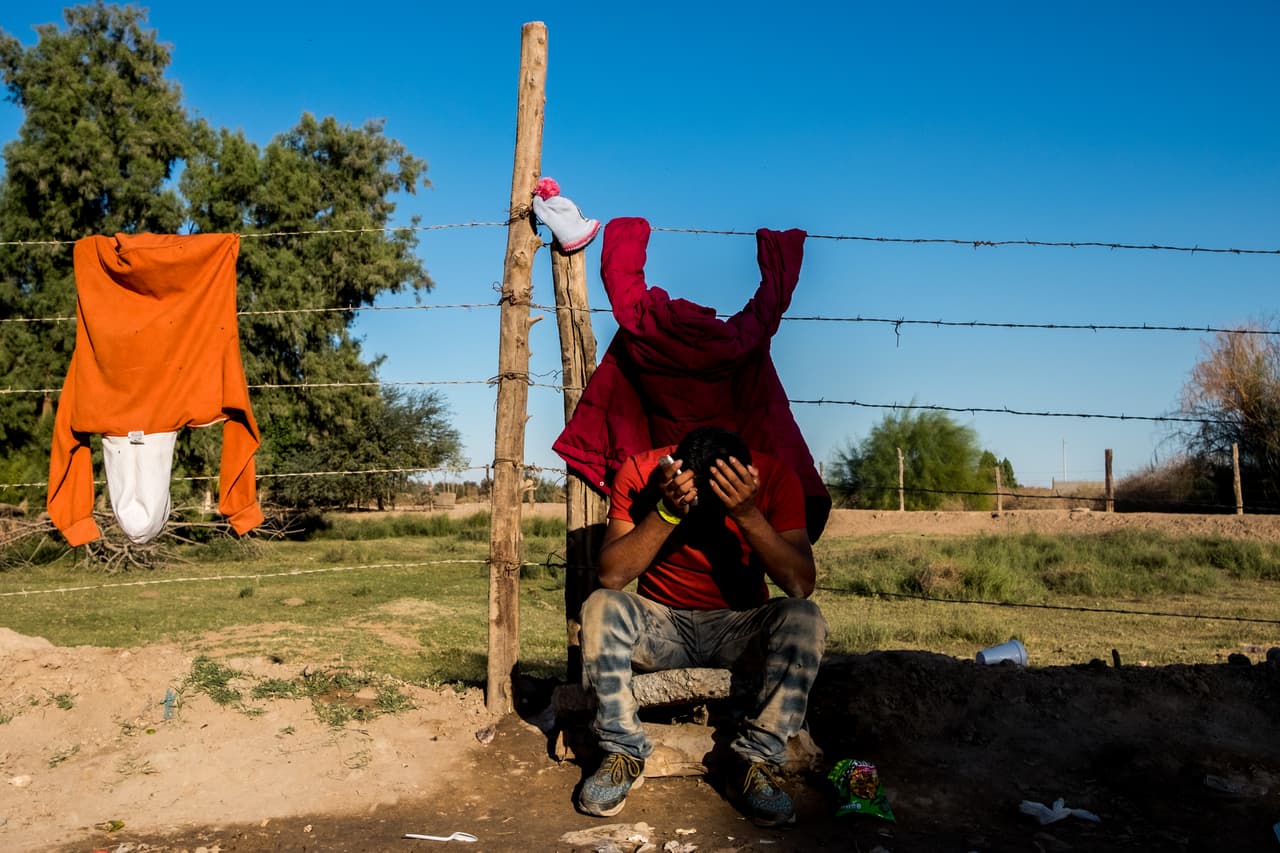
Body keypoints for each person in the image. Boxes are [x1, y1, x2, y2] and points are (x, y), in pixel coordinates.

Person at [576, 425, 827, 827]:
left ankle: (754, 760)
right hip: (662, 625)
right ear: (677, 471)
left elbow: (800, 585)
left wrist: (747, 514)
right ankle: (623, 751)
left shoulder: (776, 477)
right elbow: (611, 576)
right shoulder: (642, 472)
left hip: (739, 627)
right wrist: (667, 512)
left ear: (749, 477)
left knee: (803, 618)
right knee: (601, 606)